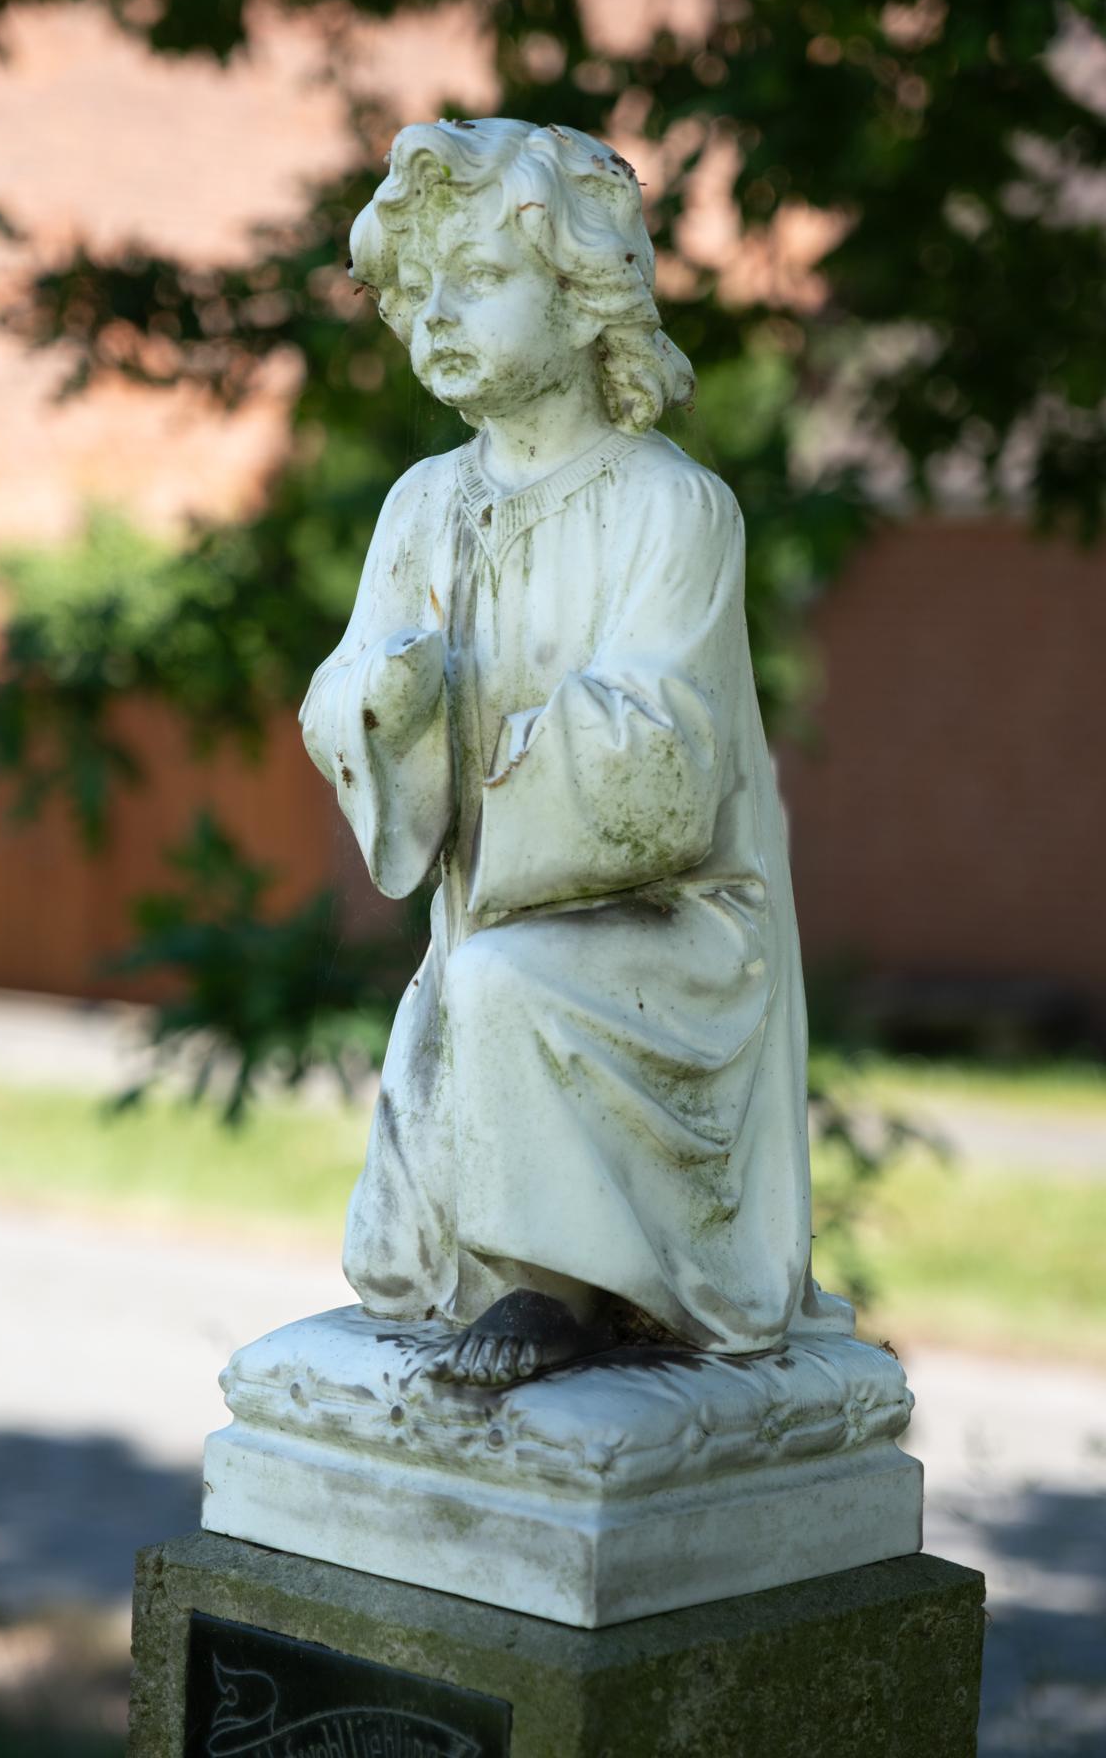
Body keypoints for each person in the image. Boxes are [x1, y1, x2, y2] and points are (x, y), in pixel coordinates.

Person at [300, 117, 851, 1388]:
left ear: (584, 295)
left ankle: (560, 1285)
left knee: (500, 983)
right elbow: (344, 699)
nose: (439, 316)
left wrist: (485, 736)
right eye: (422, 289)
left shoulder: (670, 506)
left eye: (482, 279)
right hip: (490, 923)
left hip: (667, 929)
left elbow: (661, 756)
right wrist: (386, 706)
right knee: (478, 982)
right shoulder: (421, 504)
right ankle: (500, 1264)